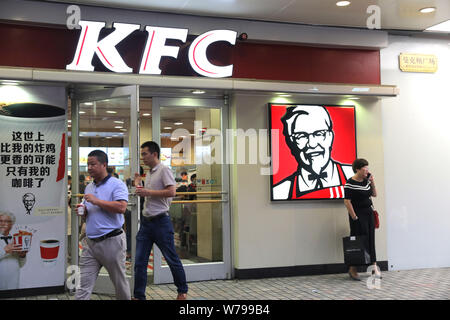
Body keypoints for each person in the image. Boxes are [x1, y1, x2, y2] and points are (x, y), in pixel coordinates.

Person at [133, 141, 188, 300]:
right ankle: (138, 296)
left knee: (171, 259)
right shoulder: (150, 173)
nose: (142, 157)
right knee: (139, 262)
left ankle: (182, 291)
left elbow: (171, 191)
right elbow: (147, 193)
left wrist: (147, 191)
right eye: (142, 154)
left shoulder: (164, 170)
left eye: (145, 154)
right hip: (146, 223)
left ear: (154, 154)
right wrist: (138, 183)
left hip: (161, 222)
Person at [75, 150, 131, 300]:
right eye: (88, 164)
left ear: (104, 165)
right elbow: (92, 210)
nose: (89, 167)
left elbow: (121, 207)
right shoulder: (89, 187)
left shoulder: (117, 184)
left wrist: (96, 201)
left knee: (120, 284)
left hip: (112, 242)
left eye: (93, 164)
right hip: (90, 243)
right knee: (83, 286)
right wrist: (84, 211)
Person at [272, 105, 354, 200]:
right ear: (291, 142)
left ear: (330, 136)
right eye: (301, 136)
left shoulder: (352, 176)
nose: (312, 144)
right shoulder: (281, 192)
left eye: (319, 134)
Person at [344, 158, 380, 281]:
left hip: (368, 213)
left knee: (370, 239)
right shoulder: (350, 182)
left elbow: (374, 194)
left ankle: (374, 267)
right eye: (365, 168)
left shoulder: (366, 181)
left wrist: (372, 181)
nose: (367, 170)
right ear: (358, 169)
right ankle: (352, 268)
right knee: (358, 240)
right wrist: (354, 217)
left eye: (368, 168)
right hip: (357, 215)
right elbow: (347, 201)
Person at [0, 211, 27, 290]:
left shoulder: (16, 239)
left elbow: (21, 264)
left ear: (12, 224)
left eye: (6, 221)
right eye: (0, 221)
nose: (2, 223)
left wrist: (22, 256)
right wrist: (5, 250)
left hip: (14, 279)